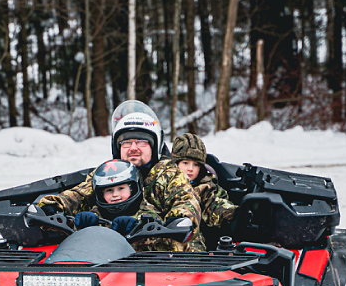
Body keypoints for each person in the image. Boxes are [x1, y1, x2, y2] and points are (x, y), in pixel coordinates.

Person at [32, 100, 204, 251]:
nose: (133, 148)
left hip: (165, 252)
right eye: (127, 143)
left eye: (141, 142)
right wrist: (53, 207)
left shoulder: (168, 173)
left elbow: (186, 200)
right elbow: (79, 194)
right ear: (117, 148)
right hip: (112, 249)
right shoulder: (110, 172)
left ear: (155, 146)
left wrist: (179, 218)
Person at [170, 133, 237, 249]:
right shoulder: (163, 185)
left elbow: (215, 205)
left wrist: (233, 213)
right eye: (185, 163)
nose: (190, 169)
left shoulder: (206, 188)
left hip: (193, 241)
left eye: (196, 165)